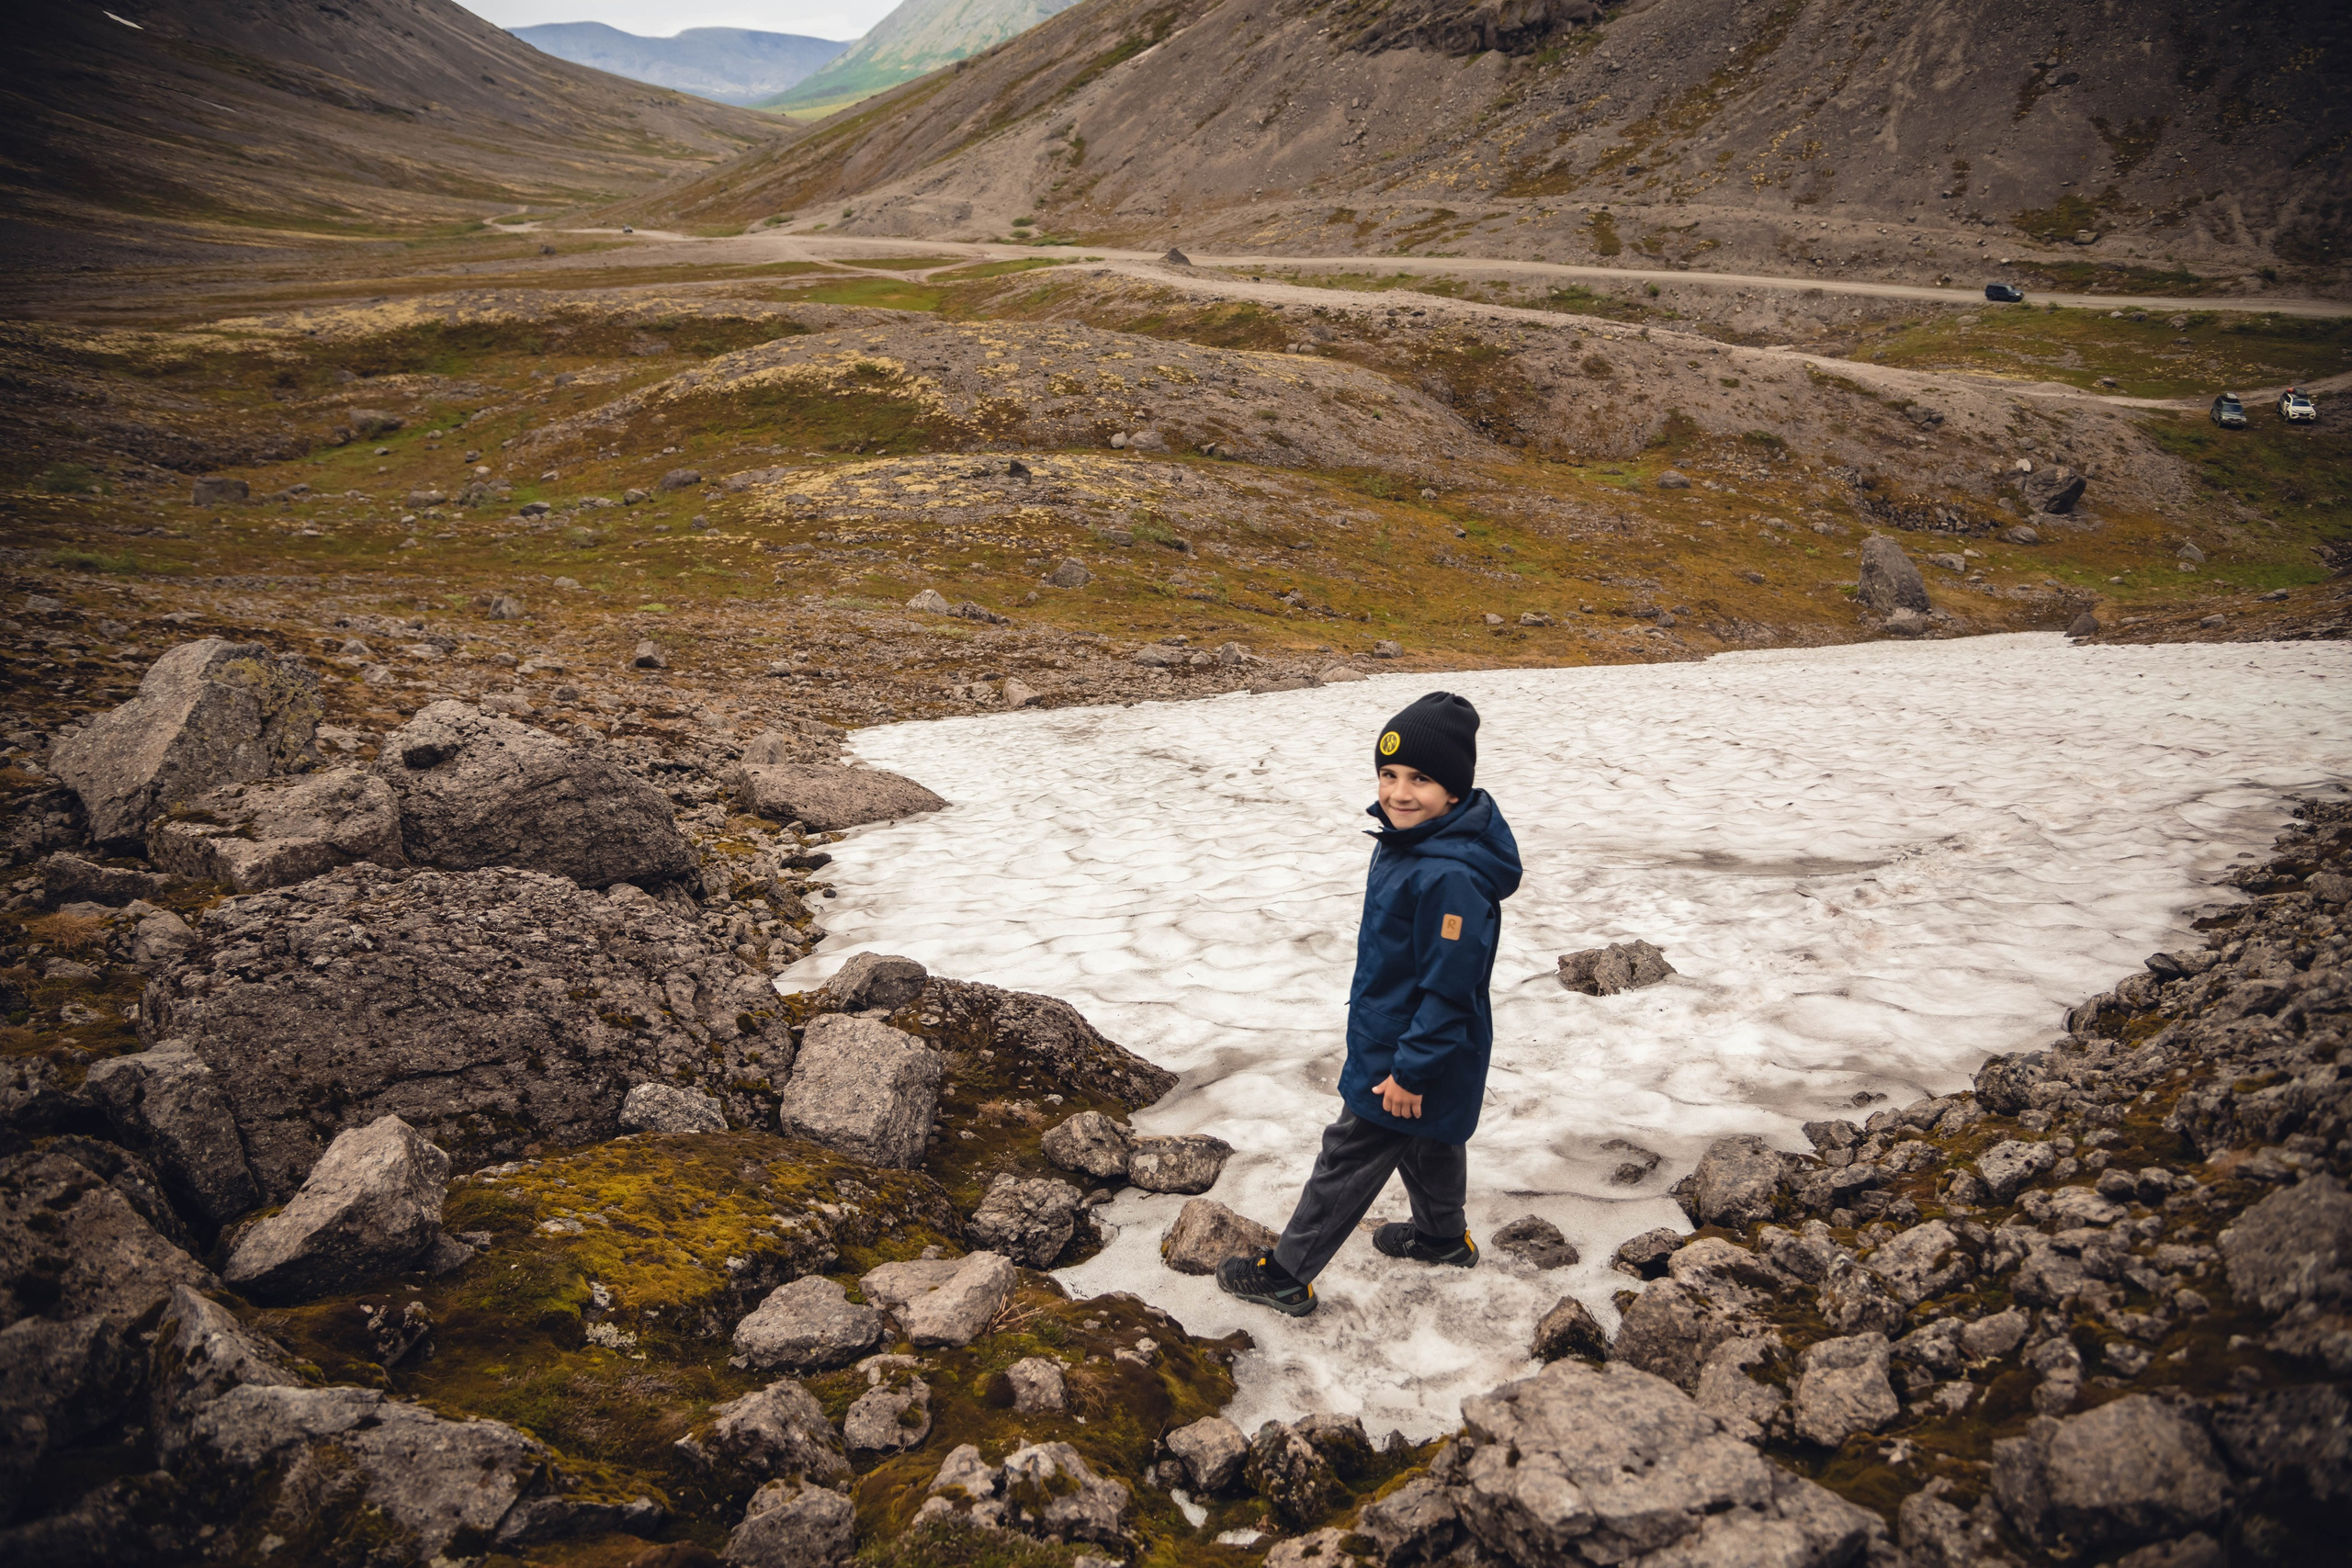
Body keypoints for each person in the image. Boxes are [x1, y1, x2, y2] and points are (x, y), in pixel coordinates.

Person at [1218, 691, 1522, 1316]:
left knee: (1349, 1155)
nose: (1399, 792)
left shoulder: (1450, 876)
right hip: (1407, 1040)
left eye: (1421, 778)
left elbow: (1449, 987)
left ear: (1456, 792)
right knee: (1430, 1139)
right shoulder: (1412, 844)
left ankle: (1286, 1273)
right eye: (1388, 774)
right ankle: (1442, 1238)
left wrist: (1411, 1070)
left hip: (1412, 1050)